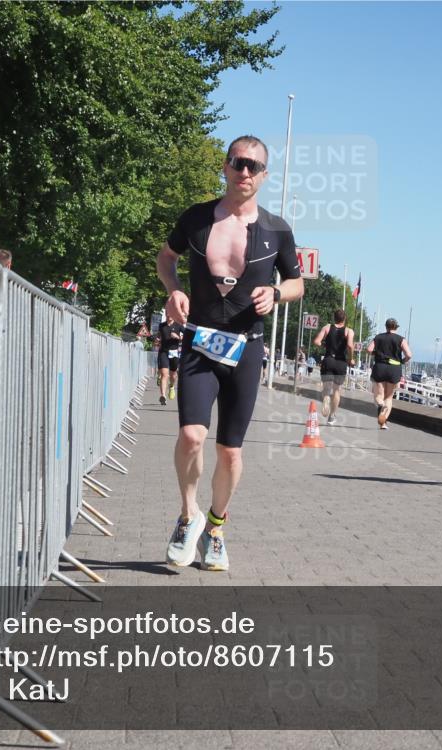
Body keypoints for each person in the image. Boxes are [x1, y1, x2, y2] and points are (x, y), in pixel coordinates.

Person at [156, 134, 304, 571]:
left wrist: (276, 294)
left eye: (254, 166)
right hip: (200, 341)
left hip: (247, 349)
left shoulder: (277, 229)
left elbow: (298, 284)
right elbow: (166, 258)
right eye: (238, 163)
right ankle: (189, 515)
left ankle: (216, 528)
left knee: (230, 451)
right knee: (190, 436)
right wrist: (175, 290)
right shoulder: (197, 218)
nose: (245, 172)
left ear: (264, 175)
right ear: (225, 166)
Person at [367, 318, 412, 430]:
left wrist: (375, 353)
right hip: (394, 368)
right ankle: (384, 422)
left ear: (386, 326)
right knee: (389, 397)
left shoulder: (378, 337)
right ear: (396, 327)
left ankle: (381, 405)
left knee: (379, 396)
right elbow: (409, 355)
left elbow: (368, 349)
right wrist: (403, 361)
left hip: (380, 367)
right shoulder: (401, 339)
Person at [313, 309, 355, 426]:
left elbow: (316, 341)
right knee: (337, 390)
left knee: (326, 388)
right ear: (345, 319)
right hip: (341, 362)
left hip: (328, 359)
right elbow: (350, 345)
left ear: (334, 318)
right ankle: (332, 416)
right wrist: (350, 358)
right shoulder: (348, 331)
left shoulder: (327, 327)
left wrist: (325, 345)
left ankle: (326, 398)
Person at [156, 317, 183, 406]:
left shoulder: (179, 325)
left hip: (174, 352)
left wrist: (178, 337)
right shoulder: (162, 325)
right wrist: (157, 340)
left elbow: (188, 337)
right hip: (163, 351)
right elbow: (158, 336)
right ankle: (163, 396)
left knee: (173, 375)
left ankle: (171, 386)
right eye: (167, 313)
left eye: (171, 313)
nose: (169, 315)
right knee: (164, 374)